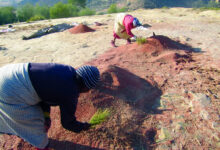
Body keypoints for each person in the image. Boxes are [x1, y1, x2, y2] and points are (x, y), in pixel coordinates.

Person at [0, 63, 100, 150]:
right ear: (86, 87)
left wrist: (46, 116)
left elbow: (44, 94)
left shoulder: (68, 71)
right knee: (36, 126)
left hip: (9, 72)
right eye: (89, 89)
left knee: (32, 118)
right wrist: (83, 126)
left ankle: (24, 132)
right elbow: (67, 123)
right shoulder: (70, 91)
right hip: (11, 89)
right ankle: (41, 146)